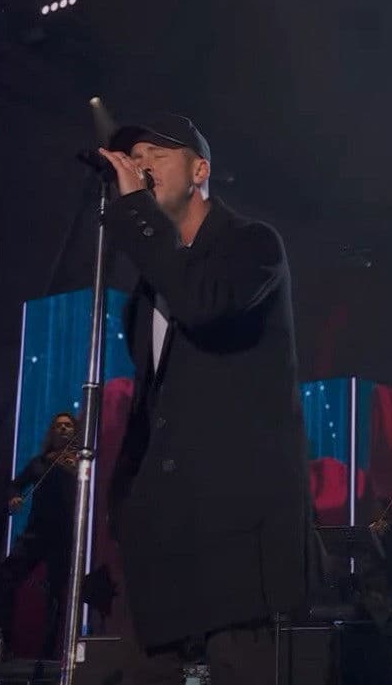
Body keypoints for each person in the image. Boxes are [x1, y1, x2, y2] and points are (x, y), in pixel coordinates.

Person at [97, 113, 307, 685]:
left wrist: (137, 217)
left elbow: (205, 304)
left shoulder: (253, 245)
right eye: (135, 157)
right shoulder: (149, 287)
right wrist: (127, 502)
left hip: (236, 530)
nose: (142, 165)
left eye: (157, 155)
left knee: (241, 669)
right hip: (164, 533)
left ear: (199, 170)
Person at [4, 412, 79, 657]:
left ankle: (49, 654)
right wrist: (14, 498)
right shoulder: (39, 463)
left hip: (64, 536)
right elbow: (15, 484)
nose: (64, 429)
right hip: (36, 532)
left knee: (56, 595)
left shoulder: (80, 463)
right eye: (59, 426)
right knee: (7, 577)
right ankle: (1, 641)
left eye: (68, 426)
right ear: (52, 433)